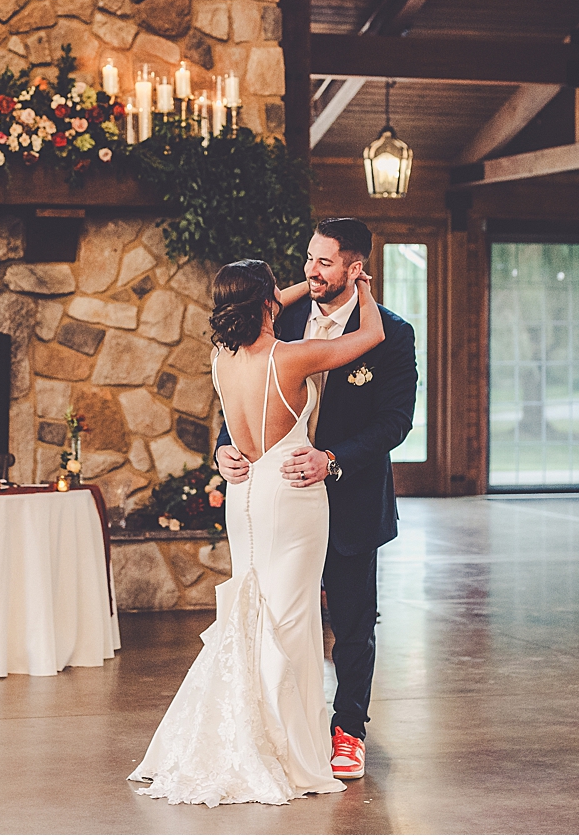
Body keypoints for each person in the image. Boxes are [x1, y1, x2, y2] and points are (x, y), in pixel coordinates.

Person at [129, 257, 385, 807]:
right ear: (269, 300)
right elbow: (373, 334)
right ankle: (289, 750)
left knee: (249, 611)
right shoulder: (292, 357)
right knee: (289, 621)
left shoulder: (223, 356)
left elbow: (263, 303)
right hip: (290, 497)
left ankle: (242, 727)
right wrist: (358, 286)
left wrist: (280, 290)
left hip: (244, 491)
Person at [218, 218, 414, 781]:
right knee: (278, 612)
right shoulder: (278, 315)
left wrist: (333, 460)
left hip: (349, 495)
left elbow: (397, 421)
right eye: (308, 259)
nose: (310, 270)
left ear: (355, 267)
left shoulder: (393, 333)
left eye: (324, 262)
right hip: (281, 499)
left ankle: (348, 729)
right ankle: (277, 727)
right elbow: (239, 389)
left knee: (352, 622)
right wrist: (224, 450)